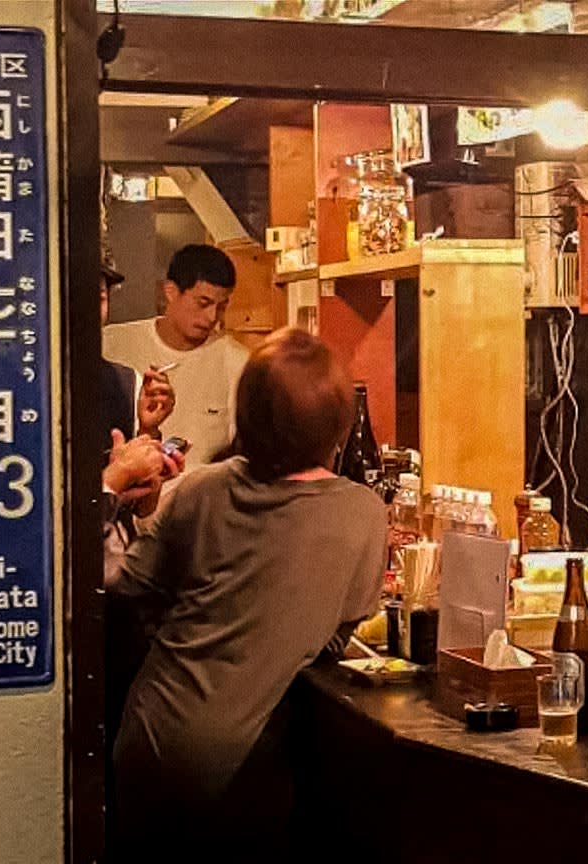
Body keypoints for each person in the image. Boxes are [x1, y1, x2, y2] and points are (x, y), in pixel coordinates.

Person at [110, 328, 386, 859]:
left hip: (150, 735)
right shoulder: (363, 514)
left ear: (248, 415)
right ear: (337, 423)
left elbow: (128, 584)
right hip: (239, 764)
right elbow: (335, 639)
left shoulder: (205, 488)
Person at [102, 244, 249, 468]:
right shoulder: (113, 344)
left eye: (221, 307)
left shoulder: (237, 362)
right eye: (203, 303)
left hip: (202, 488)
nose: (212, 317)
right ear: (170, 291)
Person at [99, 259, 175, 442]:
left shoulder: (126, 383)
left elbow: (138, 454)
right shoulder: (33, 380)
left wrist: (148, 429)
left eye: (99, 299)